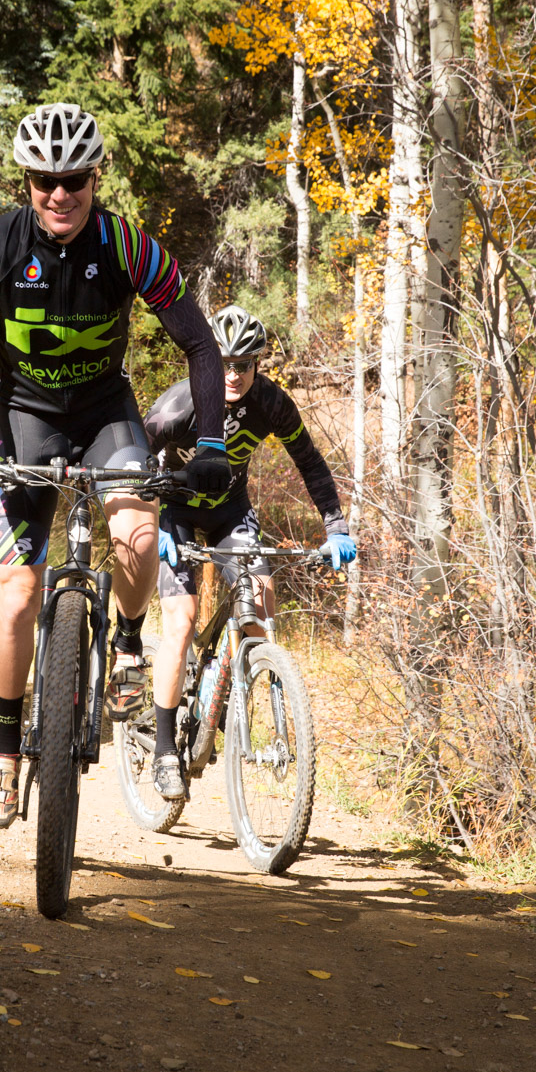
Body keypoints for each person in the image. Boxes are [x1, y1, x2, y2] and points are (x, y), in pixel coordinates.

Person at [0, 100, 228, 827]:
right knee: (18, 593)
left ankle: (125, 646)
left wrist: (213, 442)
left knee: (137, 532)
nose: (59, 194)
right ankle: (3, 748)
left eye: (74, 180)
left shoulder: (130, 248)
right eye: (43, 179)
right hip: (23, 421)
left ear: (96, 177)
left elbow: (201, 346)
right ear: (26, 180)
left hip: (105, 416)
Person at [143, 304, 357, 799]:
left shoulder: (272, 404)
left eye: (244, 364)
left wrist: (335, 524)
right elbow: (134, 462)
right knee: (181, 621)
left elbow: (310, 460)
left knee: (260, 610)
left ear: (258, 364)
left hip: (228, 509)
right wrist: (155, 521)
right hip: (175, 511)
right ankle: (163, 752)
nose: (233, 374)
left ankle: (233, 697)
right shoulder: (177, 407)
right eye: (222, 363)